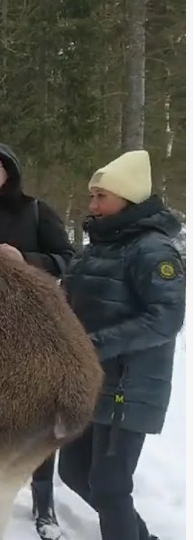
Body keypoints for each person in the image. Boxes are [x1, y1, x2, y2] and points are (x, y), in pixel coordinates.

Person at [0, 143, 75, 540]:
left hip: (27, 329)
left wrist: (28, 262)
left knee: (37, 419)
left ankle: (44, 504)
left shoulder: (36, 211)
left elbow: (70, 259)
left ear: (9, 171)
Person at [58, 150, 184, 540]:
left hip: (130, 385)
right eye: (92, 196)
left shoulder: (153, 250)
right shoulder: (99, 243)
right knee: (75, 472)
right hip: (94, 378)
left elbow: (165, 318)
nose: (92, 204)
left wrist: (93, 344)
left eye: (101, 196)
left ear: (127, 199)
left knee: (110, 485)